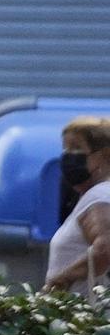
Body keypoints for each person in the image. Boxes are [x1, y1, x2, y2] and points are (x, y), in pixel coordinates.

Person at [44, 115, 110, 295]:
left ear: (103, 155)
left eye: (76, 148)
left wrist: (61, 281)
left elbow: (105, 250)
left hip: (85, 316)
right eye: (65, 148)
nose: (67, 156)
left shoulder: (100, 196)